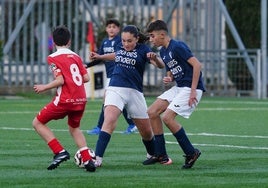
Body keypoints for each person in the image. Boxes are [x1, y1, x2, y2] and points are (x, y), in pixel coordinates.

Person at [90, 25, 165, 167]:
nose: (125, 44)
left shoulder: (144, 50)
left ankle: (152, 154)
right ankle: (97, 158)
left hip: (134, 92)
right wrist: (100, 56)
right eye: (124, 41)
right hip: (115, 88)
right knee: (110, 119)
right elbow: (116, 55)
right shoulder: (119, 46)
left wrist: (155, 58)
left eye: (129, 41)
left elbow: (160, 66)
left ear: (137, 39)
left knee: (147, 132)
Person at [32, 25, 96, 172]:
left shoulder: (52, 57)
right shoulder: (76, 56)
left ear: (53, 42)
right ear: (69, 41)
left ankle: (59, 151)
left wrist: (44, 87)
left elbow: (60, 80)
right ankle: (87, 160)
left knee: (37, 123)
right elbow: (85, 78)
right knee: (74, 128)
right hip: (81, 100)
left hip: (65, 100)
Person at [143, 20, 206, 169]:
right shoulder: (163, 51)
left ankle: (191, 152)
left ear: (162, 34)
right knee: (152, 112)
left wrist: (192, 91)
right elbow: (172, 67)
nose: (151, 39)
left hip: (191, 88)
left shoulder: (178, 46)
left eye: (152, 36)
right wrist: (169, 77)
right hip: (180, 87)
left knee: (167, 118)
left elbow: (197, 65)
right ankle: (161, 154)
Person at [87, 18, 137, 135]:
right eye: (109, 27)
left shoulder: (120, 41)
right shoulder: (105, 42)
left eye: (114, 27)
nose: (111, 29)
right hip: (110, 76)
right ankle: (132, 124)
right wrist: (87, 65)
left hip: (118, 74)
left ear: (118, 29)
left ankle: (100, 127)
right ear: (106, 29)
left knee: (107, 101)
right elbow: (100, 57)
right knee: (119, 102)